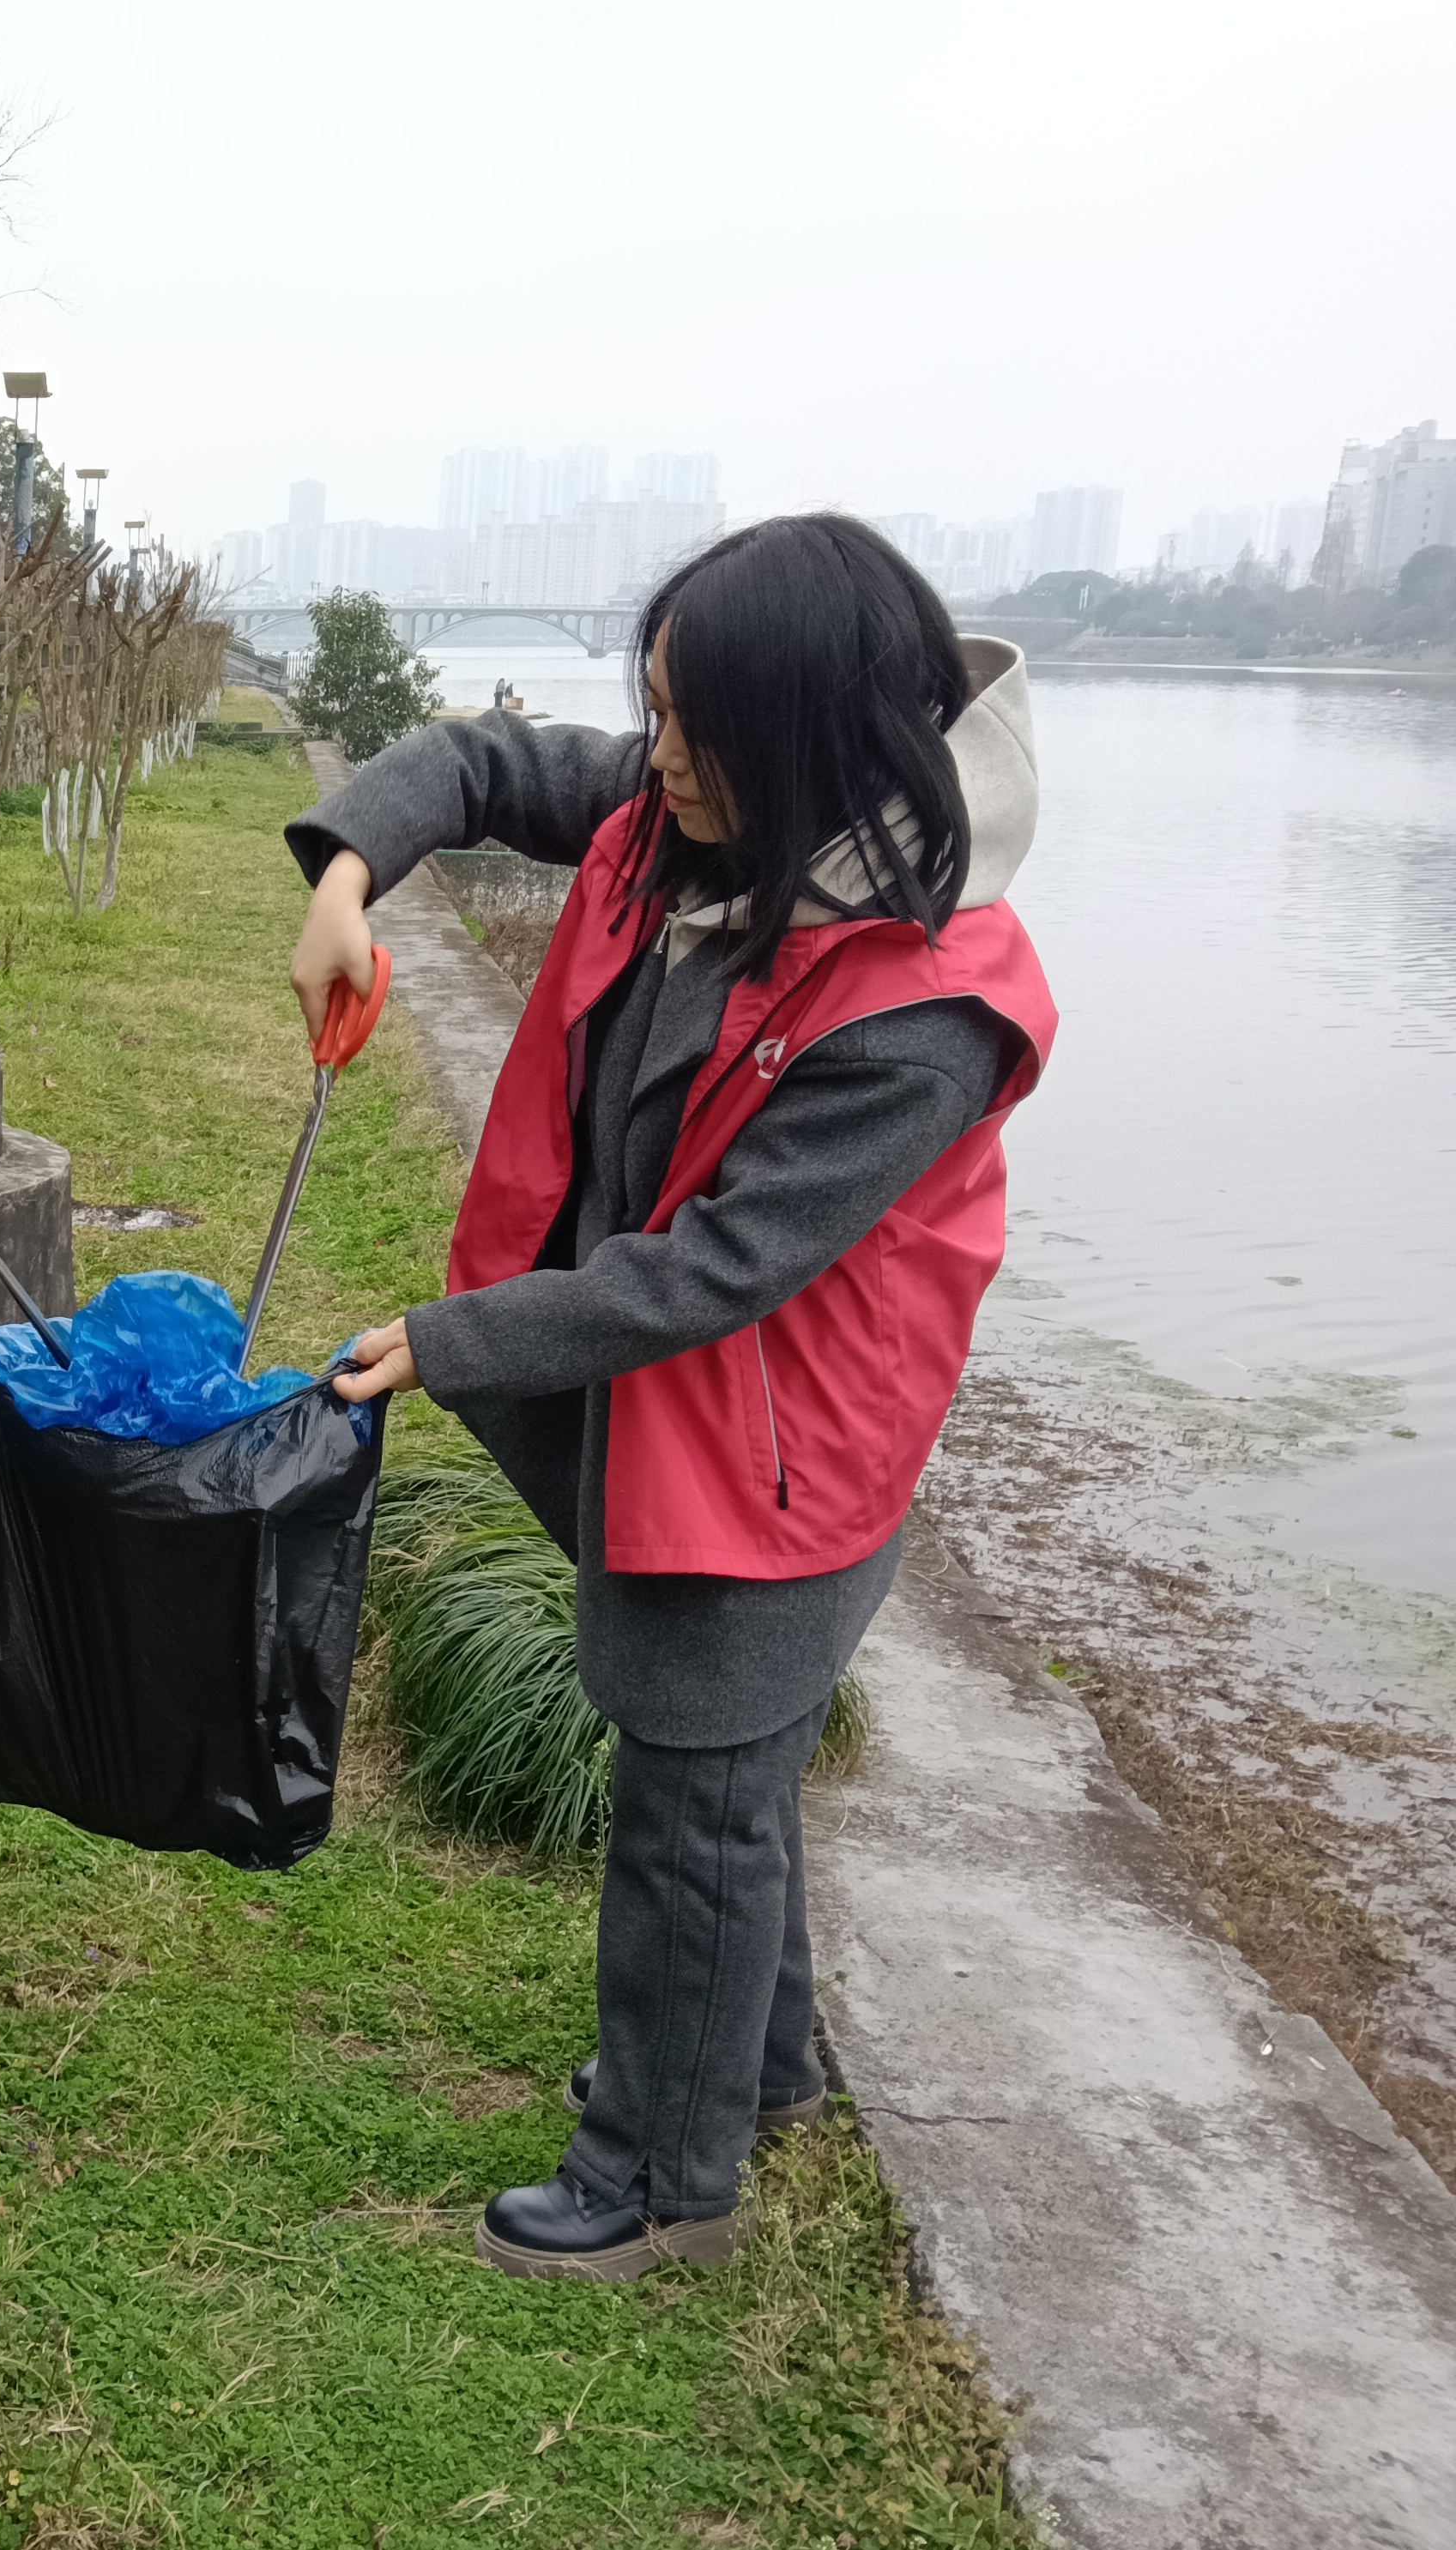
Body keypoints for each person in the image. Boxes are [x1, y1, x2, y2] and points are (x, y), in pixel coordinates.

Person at [287, 514, 1055, 2282]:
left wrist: (458, 1339)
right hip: (666, 1403)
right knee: (730, 1764)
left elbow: (719, 1267)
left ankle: (660, 2178)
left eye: (697, 728)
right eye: (653, 714)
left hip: (777, 1447)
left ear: (810, 739)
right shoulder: (694, 813)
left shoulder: (923, 1006)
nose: (661, 758)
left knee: (693, 1800)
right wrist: (349, 877)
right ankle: (757, 2069)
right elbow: (479, 762)